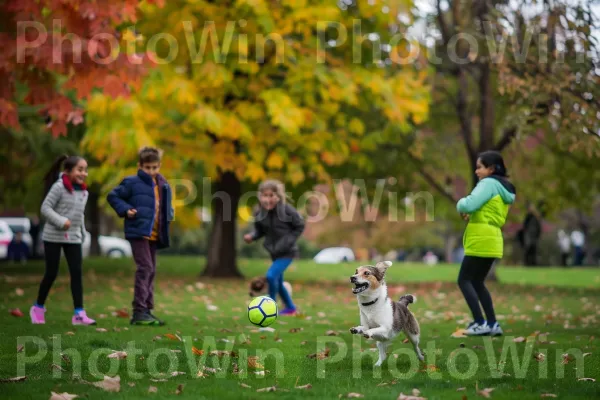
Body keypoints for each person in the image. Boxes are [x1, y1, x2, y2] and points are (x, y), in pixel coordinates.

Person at [107, 147, 173, 326]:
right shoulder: (131, 182)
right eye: (147, 167)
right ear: (140, 166)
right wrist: (126, 210)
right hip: (138, 232)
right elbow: (113, 196)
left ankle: (147, 310)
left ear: (159, 166)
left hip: (154, 234)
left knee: (151, 270)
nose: (151, 171)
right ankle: (138, 311)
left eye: (154, 167)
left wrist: (170, 215)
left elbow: (166, 206)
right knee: (145, 268)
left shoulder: (163, 185)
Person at [30, 155, 96, 325]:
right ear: (68, 171)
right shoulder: (59, 187)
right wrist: (61, 221)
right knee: (51, 273)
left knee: (76, 273)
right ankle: (38, 308)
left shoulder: (83, 191)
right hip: (53, 236)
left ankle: (79, 314)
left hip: (73, 237)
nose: (84, 173)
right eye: (80, 170)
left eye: (85, 170)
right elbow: (45, 208)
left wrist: (82, 232)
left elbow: (79, 215)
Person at [456, 151, 516, 336]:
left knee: (464, 280)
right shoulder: (502, 188)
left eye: (480, 167)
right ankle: (492, 324)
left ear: (491, 169)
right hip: (492, 239)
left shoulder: (488, 183)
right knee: (477, 282)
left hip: (481, 239)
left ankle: (481, 322)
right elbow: (485, 210)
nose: (476, 171)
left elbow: (469, 204)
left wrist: (461, 204)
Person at [244, 180, 305, 316]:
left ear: (278, 196)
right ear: (260, 196)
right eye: (265, 195)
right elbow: (259, 231)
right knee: (278, 281)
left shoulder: (286, 210)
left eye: (271, 195)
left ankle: (269, 307)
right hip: (274, 252)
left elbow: (300, 225)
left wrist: (287, 241)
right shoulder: (259, 213)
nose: (268, 199)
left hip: (288, 251)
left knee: (271, 276)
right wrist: (252, 236)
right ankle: (290, 308)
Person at [521, 202, 542, 266]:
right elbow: (524, 226)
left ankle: (533, 264)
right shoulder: (527, 217)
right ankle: (527, 263)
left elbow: (538, 227)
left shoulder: (536, 217)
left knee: (534, 250)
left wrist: (538, 235)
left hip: (534, 236)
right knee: (527, 249)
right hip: (528, 235)